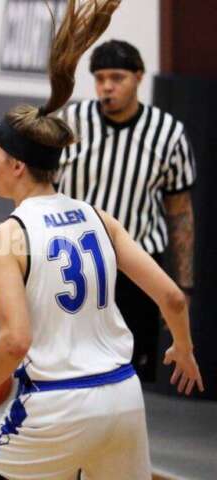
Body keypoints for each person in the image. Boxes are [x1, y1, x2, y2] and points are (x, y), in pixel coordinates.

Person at [0, 1, 204, 479]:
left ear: (17, 165)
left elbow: (16, 341)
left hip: (58, 406)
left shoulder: (5, 239)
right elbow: (171, 298)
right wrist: (182, 349)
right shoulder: (102, 218)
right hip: (124, 398)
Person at [56, 39, 197, 382]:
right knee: (64, 362)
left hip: (137, 267)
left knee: (126, 371)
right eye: (100, 77)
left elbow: (180, 212)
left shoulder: (168, 133)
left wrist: (182, 285)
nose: (107, 86)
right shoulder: (70, 122)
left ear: (138, 77)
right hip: (73, 261)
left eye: (117, 77)